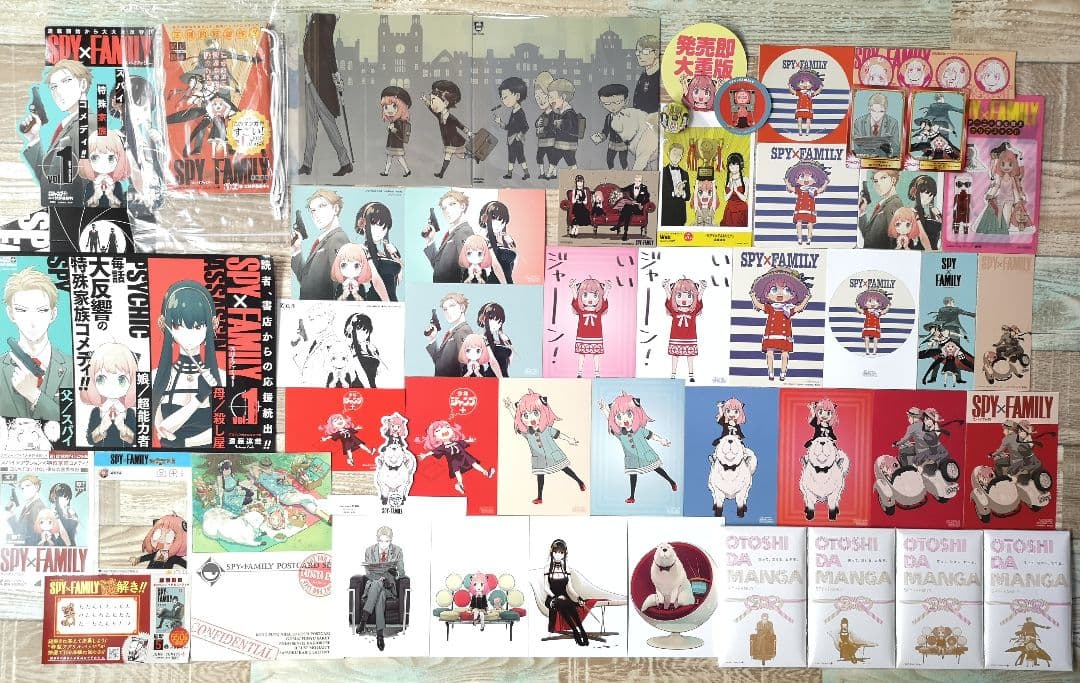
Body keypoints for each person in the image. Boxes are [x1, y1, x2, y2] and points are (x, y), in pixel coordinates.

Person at [152, 281, 223, 449]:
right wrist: (199, 398)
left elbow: (223, 428)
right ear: (165, 325)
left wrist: (185, 442)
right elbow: (163, 430)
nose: (188, 335)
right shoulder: (156, 376)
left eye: (197, 326)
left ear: (211, 325)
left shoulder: (221, 377)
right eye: (178, 326)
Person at [0, 268, 73, 422]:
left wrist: (34, 395)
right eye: (22, 310)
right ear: (11, 313)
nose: (32, 321)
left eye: (42, 310)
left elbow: (76, 424)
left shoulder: (72, 368)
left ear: (53, 314)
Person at [19, 59, 92, 203]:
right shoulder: (69, 124)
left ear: (83, 84)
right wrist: (34, 138)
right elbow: (50, 179)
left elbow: (79, 187)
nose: (58, 91)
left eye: (66, 81)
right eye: (54, 87)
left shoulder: (87, 125)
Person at [504, 391, 585, 505]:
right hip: (540, 459)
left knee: (565, 469)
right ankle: (539, 497)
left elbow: (559, 434)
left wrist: (569, 440)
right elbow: (517, 419)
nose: (531, 418)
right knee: (540, 476)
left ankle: (580, 482)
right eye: (526, 416)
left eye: (535, 413)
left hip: (553, 454)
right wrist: (510, 408)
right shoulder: (527, 433)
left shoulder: (546, 429)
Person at [598, 392, 677, 504]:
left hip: (646, 455)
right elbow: (610, 419)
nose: (625, 420)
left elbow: (652, 435)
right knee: (633, 475)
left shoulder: (639, 430)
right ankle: (632, 497)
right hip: (632, 459)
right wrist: (604, 409)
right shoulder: (619, 434)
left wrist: (661, 440)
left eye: (629, 414)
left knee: (657, 469)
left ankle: (672, 482)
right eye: (619, 417)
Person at [298, 13, 352, 176]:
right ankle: (307, 164)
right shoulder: (313, 20)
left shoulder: (323, 19)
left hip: (319, 81)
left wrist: (335, 74)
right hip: (310, 79)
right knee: (311, 124)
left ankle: (345, 162)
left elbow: (329, 48)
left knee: (328, 122)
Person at [291, 189, 350, 300]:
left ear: (335, 209)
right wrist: (296, 249)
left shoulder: (337, 239)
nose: (316, 214)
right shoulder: (323, 241)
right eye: (313, 210)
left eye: (322, 206)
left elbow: (342, 288)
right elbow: (306, 281)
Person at [81, 342, 138, 447]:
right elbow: (90, 440)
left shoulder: (129, 412)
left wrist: (122, 428)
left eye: (121, 380)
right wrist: (102, 428)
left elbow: (135, 441)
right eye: (101, 379)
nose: (112, 387)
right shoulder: (96, 412)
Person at [358, 525, 405, 651]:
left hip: (389, 587)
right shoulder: (369, 551)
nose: (384, 545)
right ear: (377, 540)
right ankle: (380, 635)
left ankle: (363, 620)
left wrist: (395, 573)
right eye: (381, 541)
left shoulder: (397, 550)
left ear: (391, 540)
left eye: (387, 541)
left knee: (381, 589)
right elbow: (368, 573)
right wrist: (380, 579)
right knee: (380, 593)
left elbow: (402, 572)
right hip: (374, 584)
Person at [247, 458, 332, 524]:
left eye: (270, 467)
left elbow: (287, 481)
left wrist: (284, 480)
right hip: (285, 496)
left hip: (292, 491)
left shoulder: (274, 473)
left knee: (306, 503)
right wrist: (255, 473)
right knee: (308, 497)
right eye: (266, 469)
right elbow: (253, 472)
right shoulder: (261, 478)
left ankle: (328, 518)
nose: (270, 470)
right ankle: (323, 505)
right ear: (261, 469)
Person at [543, 539, 589, 646]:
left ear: (564, 554)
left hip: (565, 597)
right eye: (556, 552)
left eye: (561, 552)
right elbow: (546, 587)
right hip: (552, 597)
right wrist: (556, 597)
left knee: (567, 604)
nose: (558, 555)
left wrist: (578, 598)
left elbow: (570, 588)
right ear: (552, 552)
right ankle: (576, 632)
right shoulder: (547, 568)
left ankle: (581, 630)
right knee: (561, 603)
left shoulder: (566, 568)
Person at [355, 201, 402, 301]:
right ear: (363, 224)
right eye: (375, 225)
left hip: (392, 301)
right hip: (377, 302)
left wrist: (397, 255)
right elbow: (376, 281)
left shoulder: (385, 253)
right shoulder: (362, 250)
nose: (380, 231)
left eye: (384, 227)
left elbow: (397, 278)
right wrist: (388, 304)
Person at [423, 190, 474, 283]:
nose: (447, 210)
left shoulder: (464, 232)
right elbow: (439, 268)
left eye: (452, 204)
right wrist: (430, 240)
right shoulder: (452, 233)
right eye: (444, 208)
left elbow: (469, 272)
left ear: (462, 206)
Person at [423, 80, 470, 179]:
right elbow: (431, 108)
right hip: (447, 141)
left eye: (434, 101)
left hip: (455, 140)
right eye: (432, 101)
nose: (432, 104)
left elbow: (461, 126)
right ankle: (474, 157)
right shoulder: (439, 115)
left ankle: (441, 173)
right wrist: (425, 101)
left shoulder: (451, 118)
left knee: (453, 155)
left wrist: (469, 133)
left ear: (445, 102)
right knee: (458, 156)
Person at [425, 292, 473, 377]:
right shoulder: (453, 332)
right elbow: (440, 363)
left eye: (452, 306)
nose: (448, 311)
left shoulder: (463, 331)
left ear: (462, 308)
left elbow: (467, 365)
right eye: (445, 309)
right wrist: (432, 338)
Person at [492, 77, 529, 180]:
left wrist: (518, 137)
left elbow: (525, 127)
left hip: (516, 140)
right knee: (511, 158)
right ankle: (510, 174)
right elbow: (509, 127)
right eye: (502, 98)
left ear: (517, 96)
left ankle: (526, 173)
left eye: (506, 97)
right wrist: (500, 122)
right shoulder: (514, 111)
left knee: (520, 158)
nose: (504, 101)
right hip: (510, 140)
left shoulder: (520, 112)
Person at [858, 169, 903, 248]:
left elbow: (895, 242)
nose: (878, 184)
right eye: (876, 181)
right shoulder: (883, 204)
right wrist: (862, 211)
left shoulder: (893, 205)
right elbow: (868, 236)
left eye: (883, 178)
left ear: (893, 180)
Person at [591, 84, 631, 170]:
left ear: (626, 101)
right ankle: (611, 173)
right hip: (612, 143)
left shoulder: (627, 116)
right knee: (609, 159)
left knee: (623, 160)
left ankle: (626, 172)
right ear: (601, 103)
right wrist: (601, 137)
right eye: (607, 103)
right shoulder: (609, 117)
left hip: (623, 143)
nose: (612, 107)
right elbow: (606, 131)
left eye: (617, 102)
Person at [851, 92, 900, 158]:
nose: (876, 115)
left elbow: (896, 149)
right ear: (869, 109)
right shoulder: (859, 122)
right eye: (873, 111)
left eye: (881, 111)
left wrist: (890, 150)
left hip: (884, 161)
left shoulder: (893, 123)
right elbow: (857, 149)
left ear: (885, 110)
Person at [379, 86, 412, 178]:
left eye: (394, 106)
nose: (389, 110)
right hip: (391, 144)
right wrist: (390, 129)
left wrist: (393, 130)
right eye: (386, 107)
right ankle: (386, 172)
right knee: (390, 158)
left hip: (396, 144)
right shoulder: (393, 121)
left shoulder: (399, 122)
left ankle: (407, 170)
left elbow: (400, 134)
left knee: (399, 158)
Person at [4, 475, 44, 545]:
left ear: (36, 487)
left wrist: (10, 539)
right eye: (22, 488)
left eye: (28, 486)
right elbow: (20, 532)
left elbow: (32, 539)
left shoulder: (37, 507)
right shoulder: (29, 506)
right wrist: (11, 513)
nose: (24, 490)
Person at [612, 174, 650, 241]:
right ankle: (625, 233)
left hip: (638, 208)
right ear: (634, 180)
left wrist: (641, 204)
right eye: (637, 181)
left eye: (639, 181)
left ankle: (618, 225)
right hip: (631, 206)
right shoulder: (631, 186)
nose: (638, 182)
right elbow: (623, 189)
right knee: (627, 210)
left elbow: (647, 199)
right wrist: (615, 190)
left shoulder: (644, 187)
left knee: (626, 209)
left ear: (641, 181)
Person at [661, 144, 690, 227]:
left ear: (682, 157)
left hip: (680, 215)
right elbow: (660, 193)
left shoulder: (685, 174)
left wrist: (683, 193)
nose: (676, 156)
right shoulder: (662, 172)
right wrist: (674, 192)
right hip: (665, 214)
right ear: (668, 153)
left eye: (679, 154)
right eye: (674, 153)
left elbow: (688, 196)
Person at [632, 35, 661, 113]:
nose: (639, 56)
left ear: (656, 53)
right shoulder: (643, 75)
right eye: (638, 52)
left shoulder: (662, 77)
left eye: (645, 52)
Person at [719, 153, 748, 227]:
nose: (733, 167)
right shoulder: (727, 180)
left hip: (741, 210)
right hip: (729, 210)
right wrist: (731, 191)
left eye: (735, 164)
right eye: (731, 165)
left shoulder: (745, 179)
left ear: (740, 165)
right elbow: (725, 198)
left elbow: (744, 198)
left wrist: (737, 191)